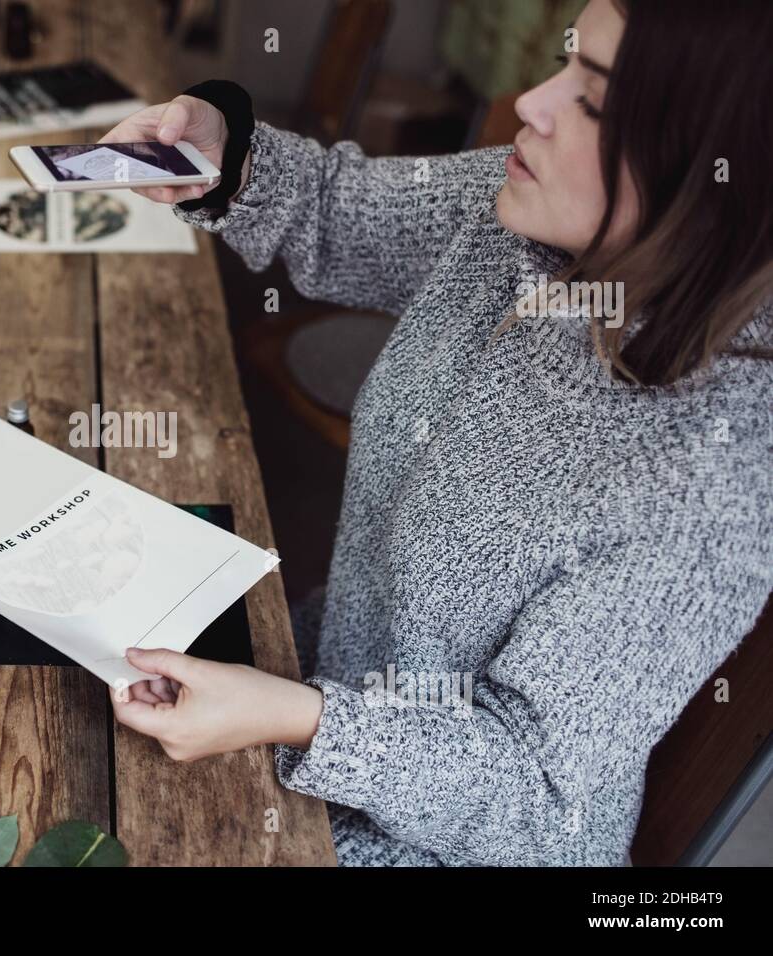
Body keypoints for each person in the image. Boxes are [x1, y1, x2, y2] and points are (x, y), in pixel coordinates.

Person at [101, 0, 773, 865]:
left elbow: (539, 801)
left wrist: (302, 719)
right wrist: (217, 153)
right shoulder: (533, 212)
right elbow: (336, 209)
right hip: (318, 686)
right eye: (568, 64)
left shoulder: (719, 474)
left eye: (594, 103)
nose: (533, 100)